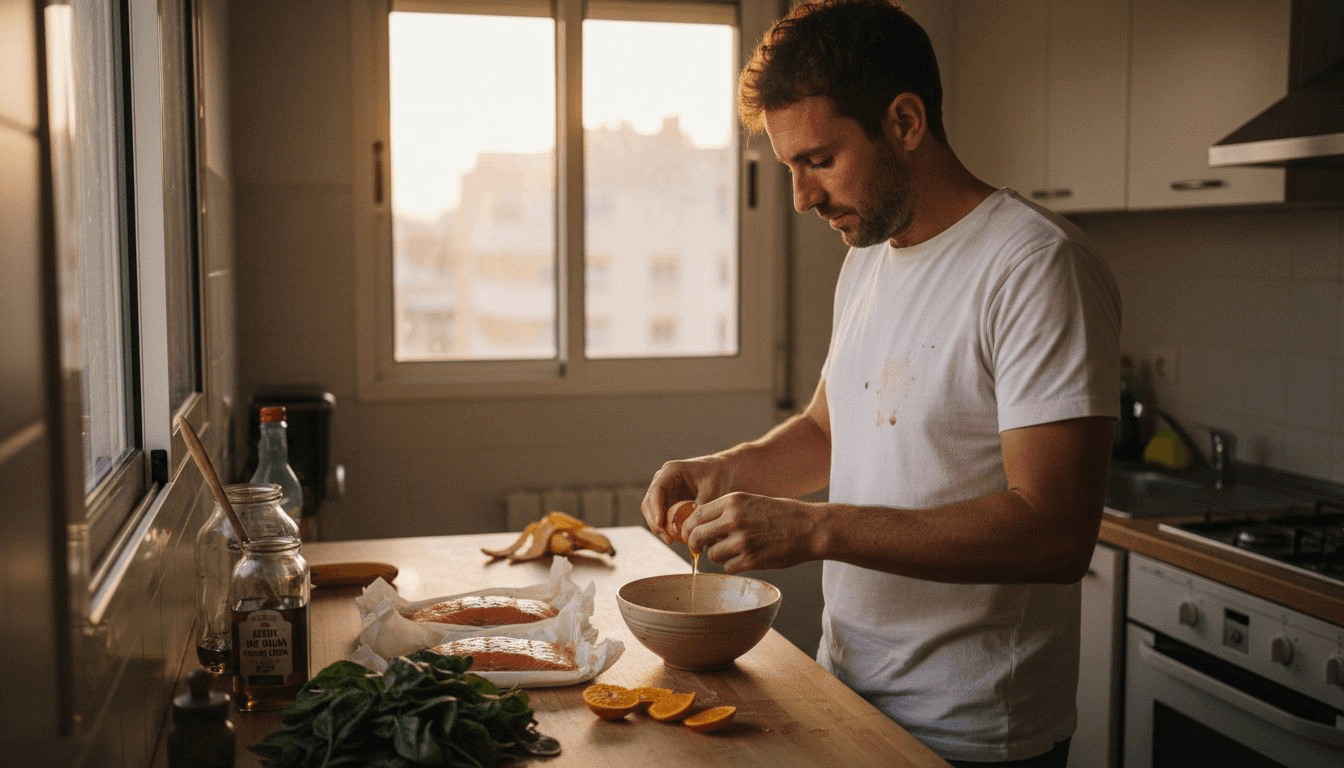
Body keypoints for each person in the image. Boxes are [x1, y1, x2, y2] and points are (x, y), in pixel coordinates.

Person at [640, 2, 1121, 766]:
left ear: (904, 122)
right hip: (849, 691)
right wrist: (720, 472)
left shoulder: (1034, 267)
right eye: (789, 167)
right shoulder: (869, 254)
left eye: (818, 161)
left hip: (975, 731)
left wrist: (813, 529)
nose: (801, 198)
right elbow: (832, 431)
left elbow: (1056, 532)